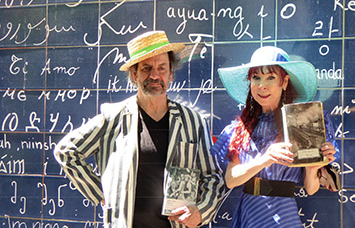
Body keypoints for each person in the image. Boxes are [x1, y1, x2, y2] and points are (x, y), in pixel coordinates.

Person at [54, 30, 224, 228]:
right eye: (146, 68)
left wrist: (201, 212)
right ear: (134, 75)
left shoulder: (191, 121)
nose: (154, 75)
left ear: (170, 74)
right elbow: (66, 151)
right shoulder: (113, 118)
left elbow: (213, 178)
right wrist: (100, 194)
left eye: (162, 68)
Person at [212, 46, 339, 227]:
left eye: (271, 77)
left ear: (285, 82)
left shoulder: (301, 123)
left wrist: (314, 167)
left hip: (284, 217)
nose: (262, 85)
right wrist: (265, 159)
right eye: (256, 78)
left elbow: (311, 189)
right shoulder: (240, 128)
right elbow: (231, 180)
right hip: (250, 215)